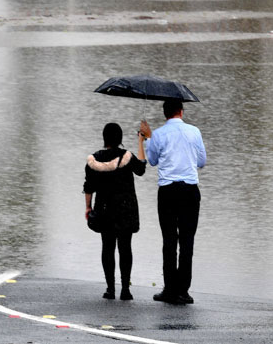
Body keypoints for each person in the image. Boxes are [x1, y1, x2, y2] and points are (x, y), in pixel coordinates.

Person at [140, 98, 207, 305]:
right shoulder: (194, 131)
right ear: (181, 111)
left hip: (168, 191)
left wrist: (148, 137)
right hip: (189, 190)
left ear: (165, 113)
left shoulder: (158, 134)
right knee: (187, 241)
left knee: (169, 240)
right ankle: (183, 291)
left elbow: (152, 161)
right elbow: (202, 162)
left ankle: (169, 289)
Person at [83, 122, 147, 300]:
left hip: (104, 209)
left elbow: (89, 187)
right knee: (125, 247)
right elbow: (141, 169)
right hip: (125, 209)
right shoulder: (126, 156)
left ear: (104, 138)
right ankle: (125, 289)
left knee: (107, 247)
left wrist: (88, 207)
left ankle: (110, 289)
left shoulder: (94, 160)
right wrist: (141, 142)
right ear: (120, 139)